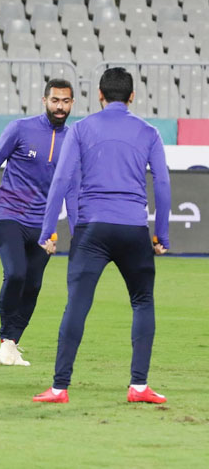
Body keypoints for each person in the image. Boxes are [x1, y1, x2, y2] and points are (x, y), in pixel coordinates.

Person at [33, 67, 170, 404]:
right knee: (142, 302)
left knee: (77, 305)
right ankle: (139, 386)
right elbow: (163, 184)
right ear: (132, 96)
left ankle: (59, 388)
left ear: (99, 95)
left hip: (91, 229)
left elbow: (61, 180)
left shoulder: (81, 129)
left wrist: (48, 229)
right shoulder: (149, 132)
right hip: (133, 228)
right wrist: (161, 235)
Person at [0, 79, 78, 366]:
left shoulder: (74, 140)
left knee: (33, 285)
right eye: (55, 100)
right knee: (15, 274)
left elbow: (72, 190)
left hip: (44, 225)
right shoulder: (20, 129)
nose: (60, 107)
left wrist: (79, 235)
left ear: (72, 103)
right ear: (44, 100)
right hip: (9, 214)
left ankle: (11, 343)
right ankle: (5, 338)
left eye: (65, 101)